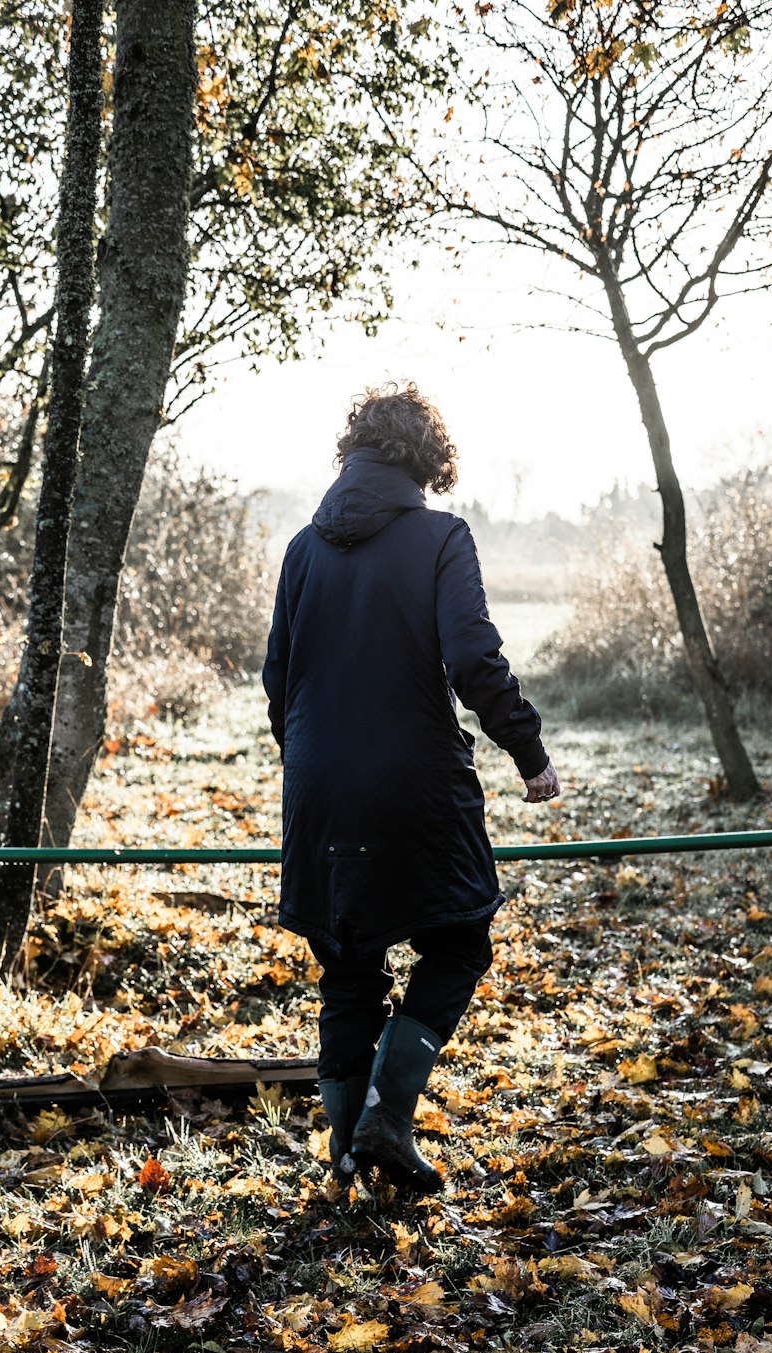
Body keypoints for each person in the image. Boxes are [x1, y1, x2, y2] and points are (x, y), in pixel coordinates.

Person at [262, 383, 560, 1195]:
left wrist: (317, 768)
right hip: (417, 783)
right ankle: (387, 1121)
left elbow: (276, 679)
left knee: (349, 965)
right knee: (459, 939)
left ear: (353, 452)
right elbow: (472, 658)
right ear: (427, 461)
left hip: (318, 789)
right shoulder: (440, 537)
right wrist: (528, 752)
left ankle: (344, 1160)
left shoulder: (302, 548)